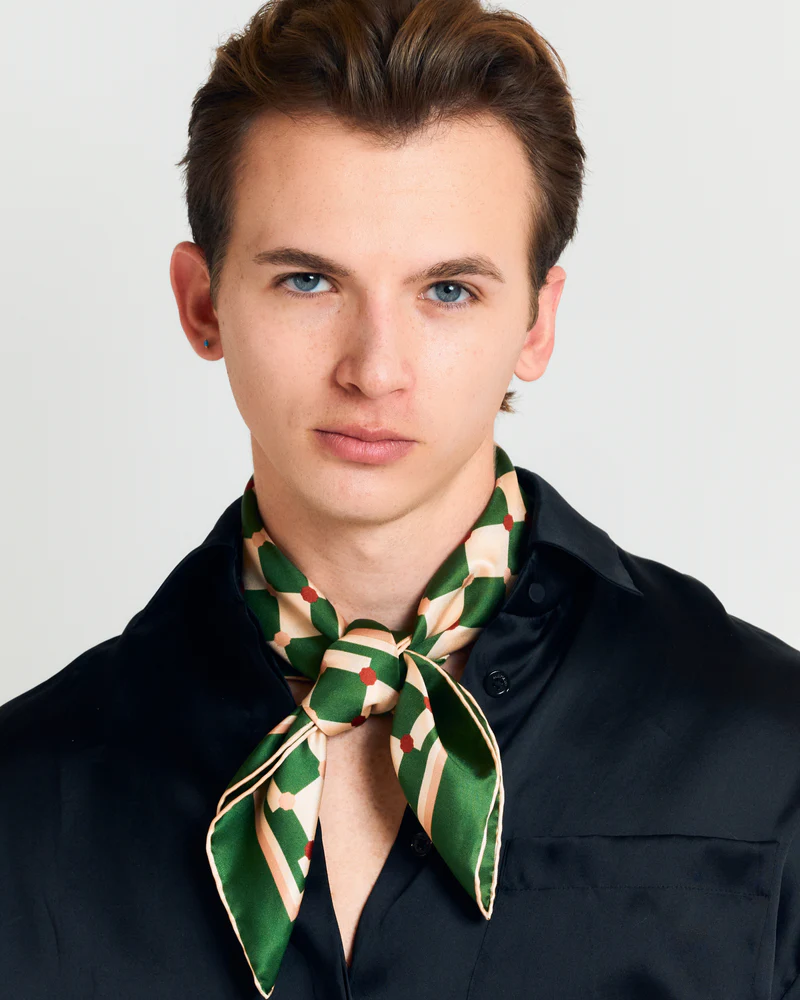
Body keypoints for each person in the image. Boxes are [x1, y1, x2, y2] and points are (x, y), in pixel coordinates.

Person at [2, 0, 799, 997]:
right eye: (308, 281)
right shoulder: (27, 797)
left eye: (448, 290)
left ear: (536, 323)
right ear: (203, 303)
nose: (374, 369)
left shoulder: (768, 750)